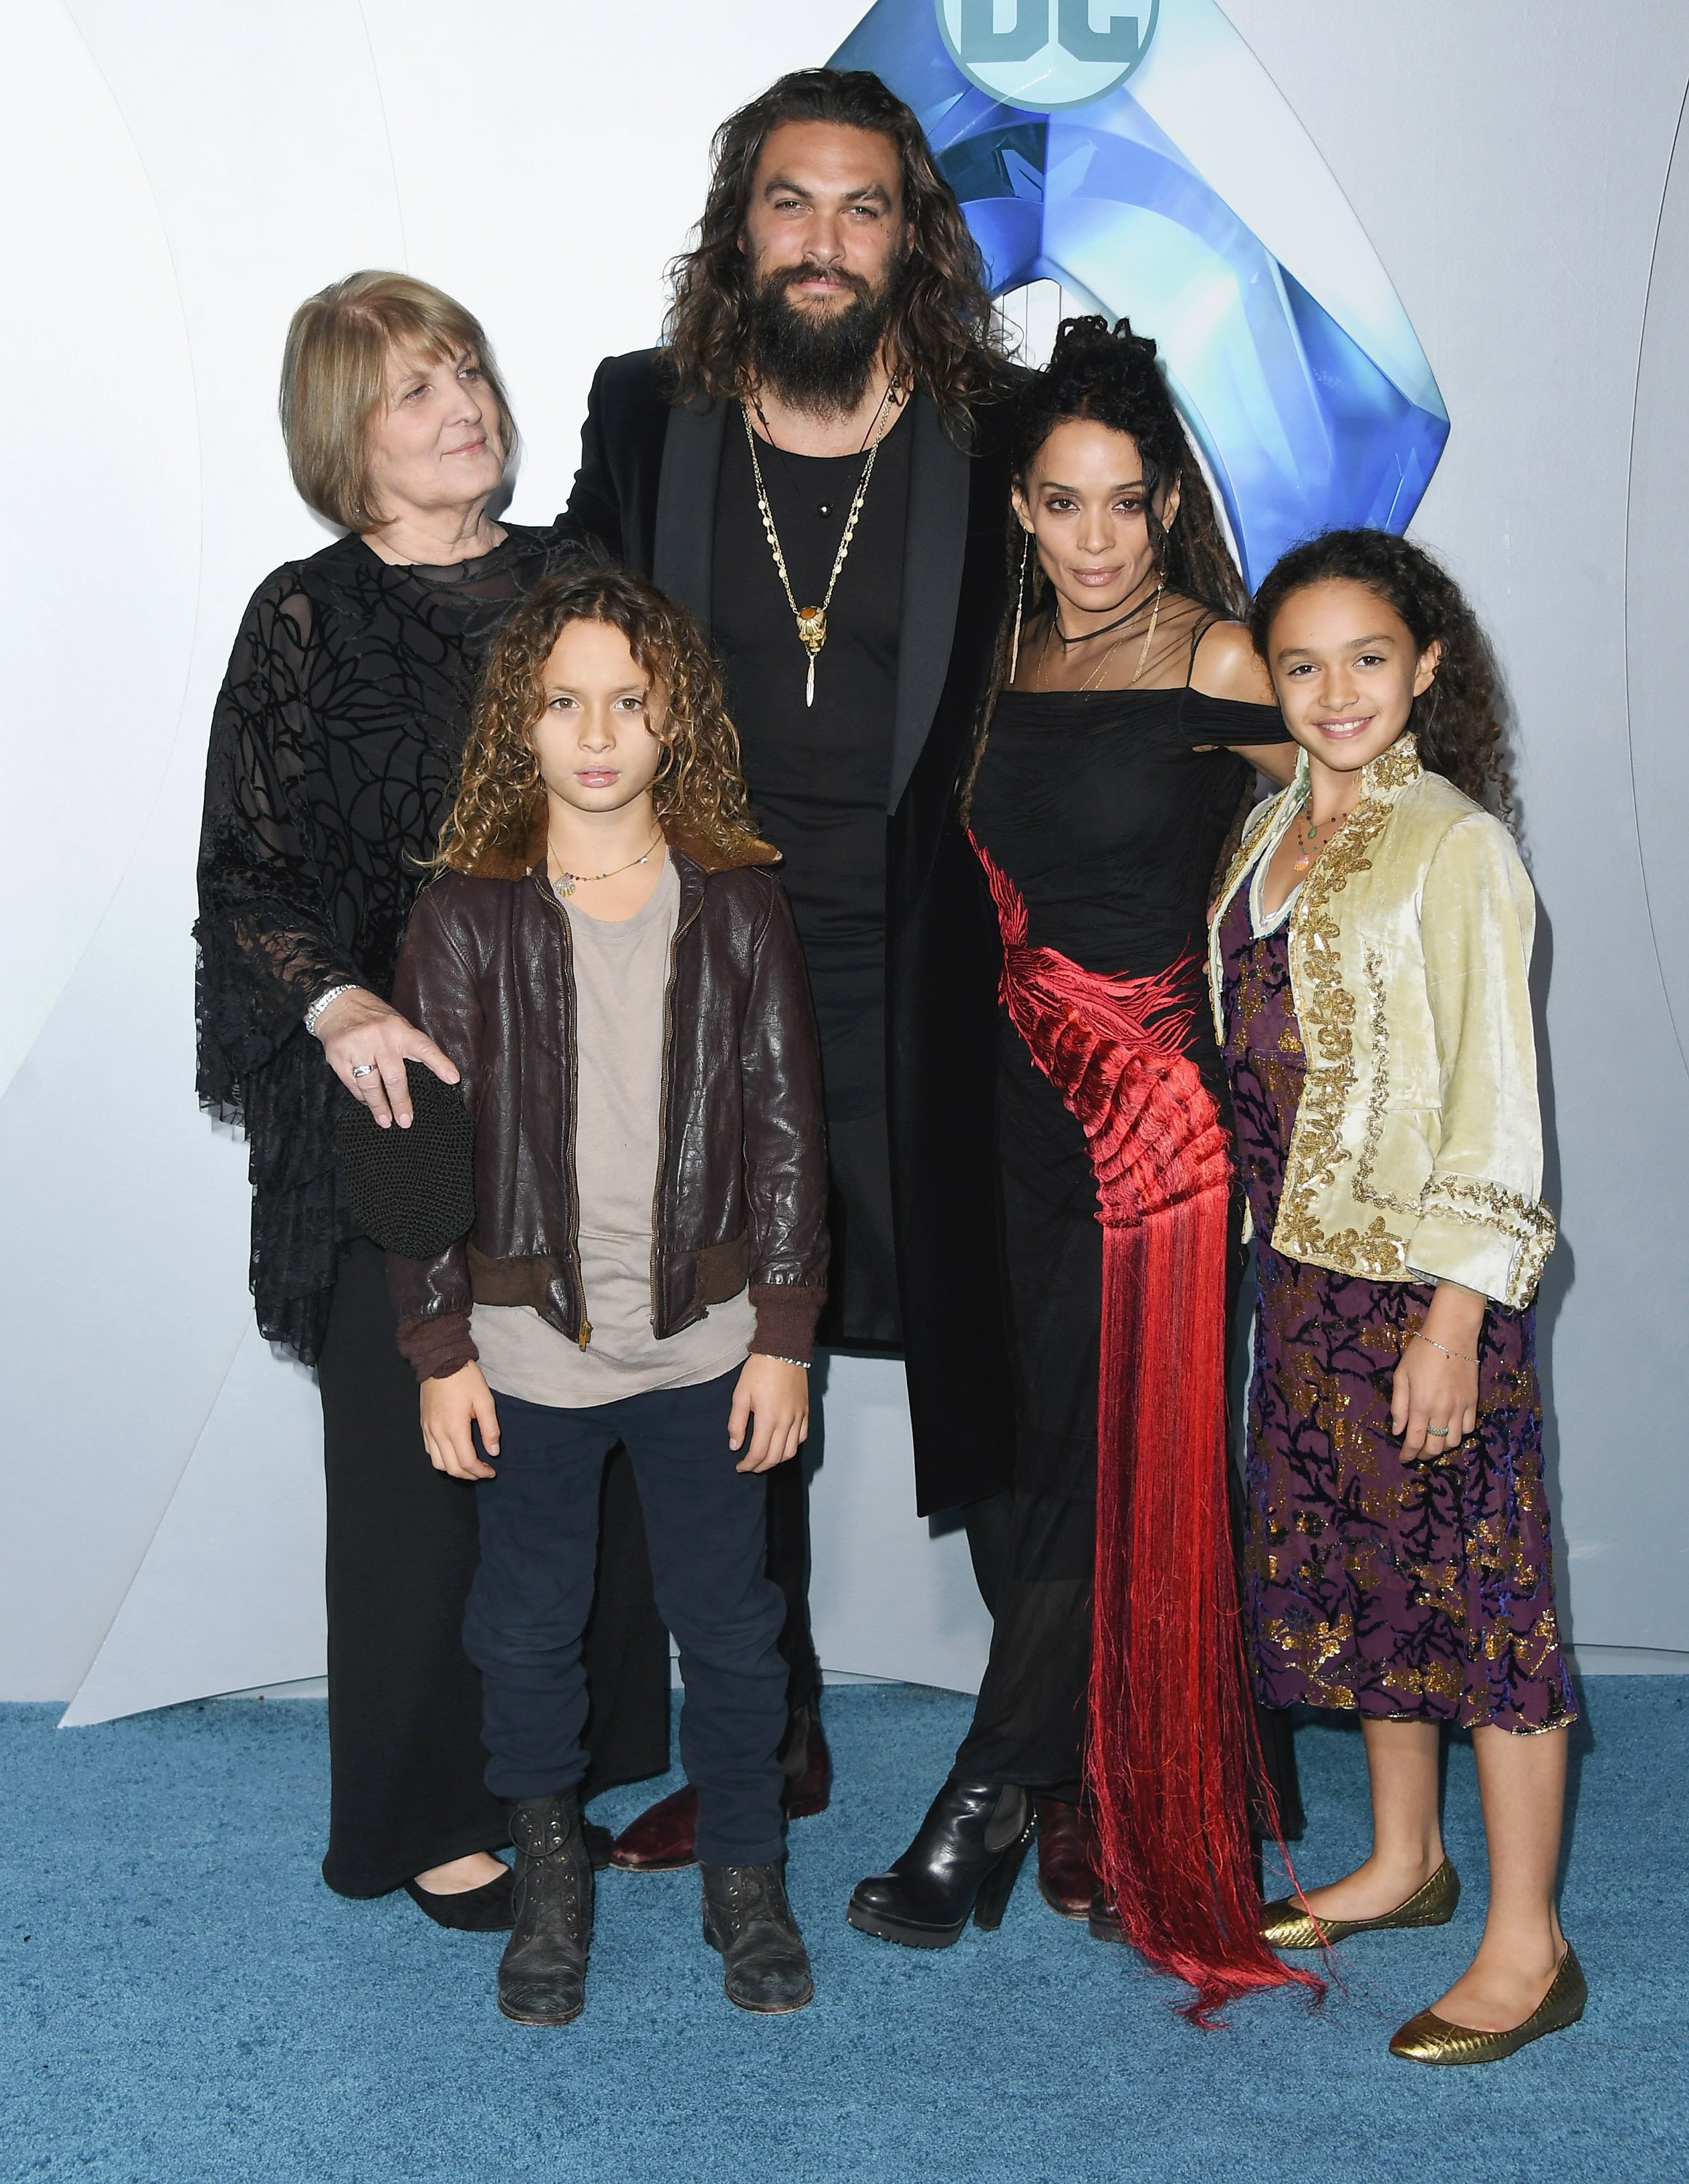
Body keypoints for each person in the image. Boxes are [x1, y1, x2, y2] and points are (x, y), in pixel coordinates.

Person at [565, 66, 1024, 1871]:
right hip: (708, 987)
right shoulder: (647, 416)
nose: (821, 243)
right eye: (787, 203)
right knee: (723, 1387)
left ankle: (1034, 1758)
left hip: (951, 985)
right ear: (736, 225)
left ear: (909, 234)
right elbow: (566, 676)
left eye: (860, 208)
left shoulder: (998, 427)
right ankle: (770, 1745)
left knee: (1000, 1385)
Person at [848, 317, 1310, 2022]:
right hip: (1001, 1110)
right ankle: (1095, 1782)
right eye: (1061, 503)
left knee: (1112, 1465)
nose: (1095, 538)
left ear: (1170, 499)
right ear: (1022, 512)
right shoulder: (996, 662)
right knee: (1026, 1454)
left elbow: (1365, 817)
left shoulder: (1223, 661)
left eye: (1125, 501)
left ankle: (984, 1795)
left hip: (1149, 1131)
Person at [194, 272, 668, 1925]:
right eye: (411, 390)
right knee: (420, 1471)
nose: (459, 403)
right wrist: (338, 1003)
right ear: (347, 434)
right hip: (397, 1097)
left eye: (464, 369)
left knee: (575, 1450)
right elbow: (247, 877)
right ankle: (427, 1816)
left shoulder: (578, 585)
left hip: (586, 1081)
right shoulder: (302, 618)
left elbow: (667, 796)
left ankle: (551, 1774)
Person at [387, 562, 828, 2025]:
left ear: (673, 722)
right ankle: (550, 1873)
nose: (595, 734)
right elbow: (420, 1147)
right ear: (517, 725)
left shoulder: (739, 902)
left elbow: (784, 1128)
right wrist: (441, 1343)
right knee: (523, 1630)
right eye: (563, 704)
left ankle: (745, 1879)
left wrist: (780, 1331)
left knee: (732, 1623)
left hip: (705, 1343)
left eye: (627, 705)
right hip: (528, 1349)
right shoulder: (464, 916)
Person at [1211, 529, 1578, 2063]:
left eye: (1367, 657)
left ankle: (1525, 1941)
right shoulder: (1265, 828)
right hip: (1299, 1281)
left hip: (1424, 1296)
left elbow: (1497, 1101)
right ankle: (1404, 1861)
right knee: (1366, 1586)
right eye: (1301, 664)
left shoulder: (1452, 845)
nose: (1334, 690)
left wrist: (1449, 1316)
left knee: (1484, 1608)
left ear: (1425, 663)